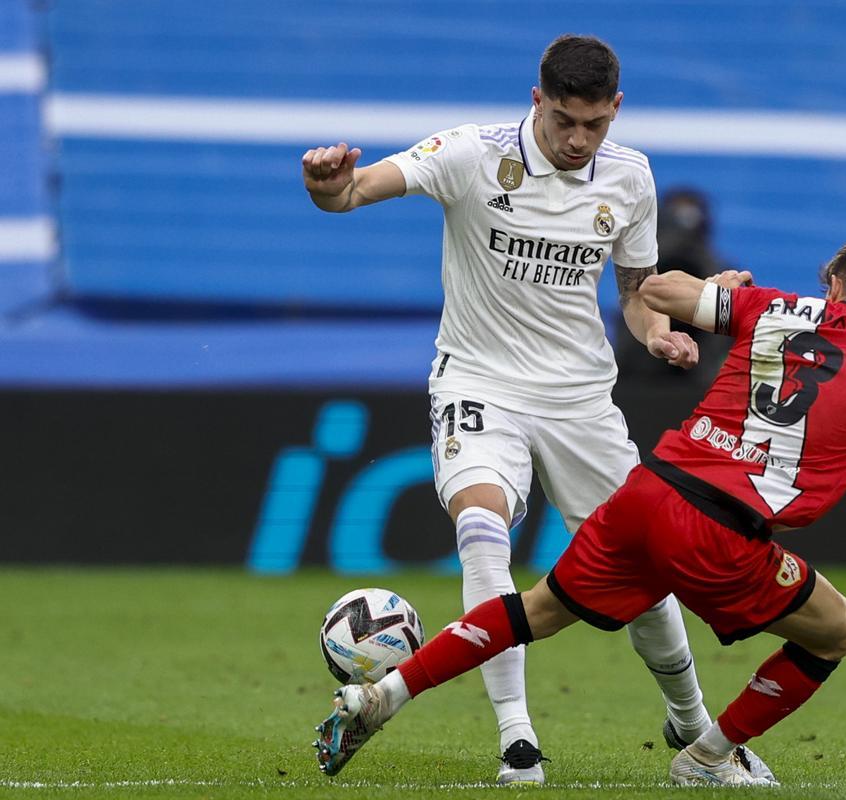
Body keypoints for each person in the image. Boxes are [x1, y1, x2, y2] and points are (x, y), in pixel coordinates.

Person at [312, 233, 846, 786]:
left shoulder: (775, 308)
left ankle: (381, 696)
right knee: (838, 629)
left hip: (649, 490)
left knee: (532, 612)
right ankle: (710, 754)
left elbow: (660, 289)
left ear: (831, 284)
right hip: (720, 528)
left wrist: (716, 289)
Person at [301, 34, 772, 784]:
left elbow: (635, 291)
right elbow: (351, 193)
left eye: (594, 123)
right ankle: (517, 741)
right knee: (483, 528)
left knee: (647, 563)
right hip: (479, 381)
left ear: (616, 109)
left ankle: (694, 731)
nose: (578, 139)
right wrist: (328, 182)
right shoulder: (469, 153)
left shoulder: (630, 177)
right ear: (536, 101)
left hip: (581, 397)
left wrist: (661, 336)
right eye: (562, 121)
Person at [615, 187, 730, 386]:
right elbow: (637, 295)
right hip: (640, 376)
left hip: (697, 376)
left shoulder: (721, 274)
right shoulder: (643, 267)